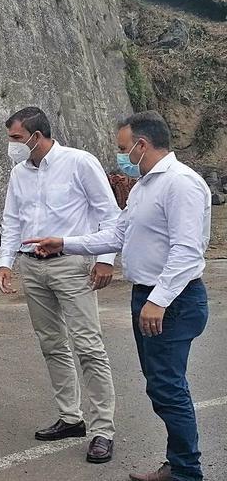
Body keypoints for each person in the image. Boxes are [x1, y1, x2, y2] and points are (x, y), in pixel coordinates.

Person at [25, 111, 210, 481]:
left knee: (169, 389)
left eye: (124, 149)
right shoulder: (143, 187)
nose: (121, 156)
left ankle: (187, 472)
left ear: (142, 145)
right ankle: (178, 464)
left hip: (172, 301)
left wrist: (158, 300)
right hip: (148, 297)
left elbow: (187, 251)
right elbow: (115, 235)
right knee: (160, 386)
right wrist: (65, 243)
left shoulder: (181, 184)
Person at [0, 107, 120, 463]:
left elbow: (108, 214)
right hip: (33, 266)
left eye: (16, 139)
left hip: (70, 263)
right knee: (51, 343)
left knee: (88, 345)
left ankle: (102, 430)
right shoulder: (19, 173)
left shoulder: (80, 163)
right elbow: (12, 219)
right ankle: (70, 417)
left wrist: (105, 260)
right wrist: (6, 262)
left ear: (37, 135)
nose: (11, 146)